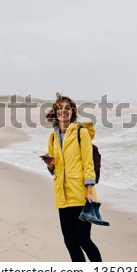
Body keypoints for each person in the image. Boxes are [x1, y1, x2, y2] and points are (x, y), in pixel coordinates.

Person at [41, 93, 103, 262]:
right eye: (60, 108)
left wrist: (90, 191)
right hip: (62, 196)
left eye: (67, 108)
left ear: (72, 112)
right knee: (69, 241)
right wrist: (50, 164)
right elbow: (55, 169)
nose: (63, 111)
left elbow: (88, 162)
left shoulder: (80, 133)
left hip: (81, 195)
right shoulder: (53, 137)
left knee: (83, 239)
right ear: (55, 112)